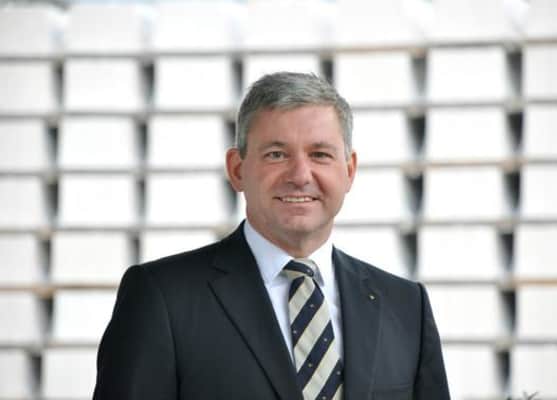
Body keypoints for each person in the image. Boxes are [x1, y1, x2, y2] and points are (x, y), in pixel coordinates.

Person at [93, 72, 450, 400]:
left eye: (320, 154)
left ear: (349, 170)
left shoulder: (406, 306)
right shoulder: (162, 299)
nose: (300, 175)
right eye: (276, 154)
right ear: (237, 170)